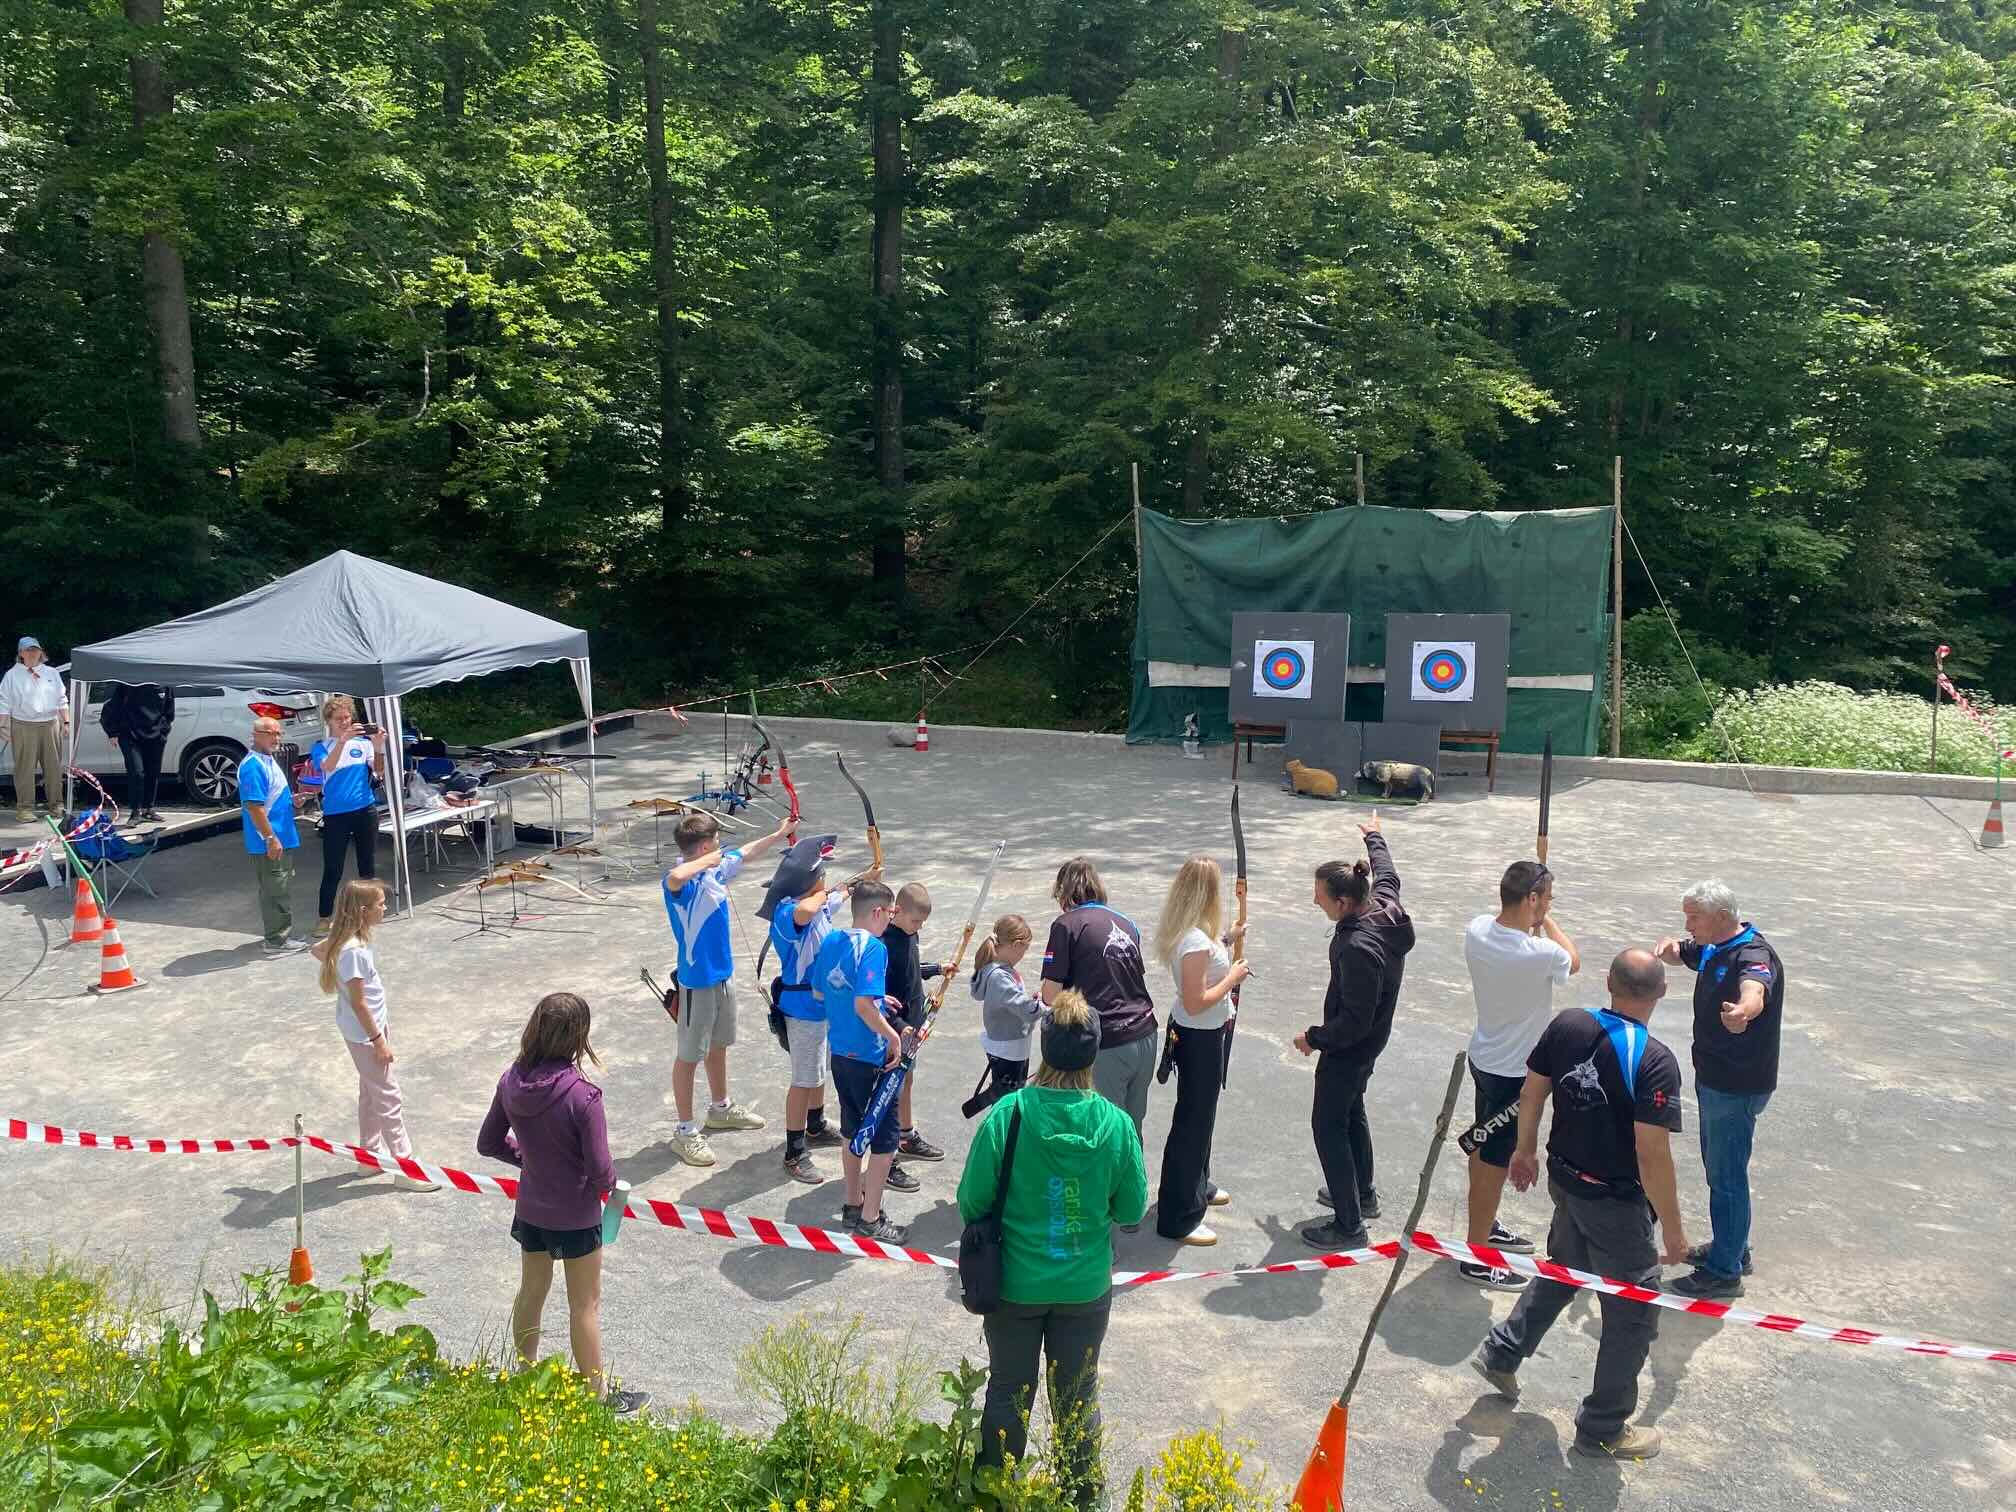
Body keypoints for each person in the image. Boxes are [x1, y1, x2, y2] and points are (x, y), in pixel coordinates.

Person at [1467, 950, 1689, 1462]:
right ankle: (1603, 1428)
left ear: (1609, 982)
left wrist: (1525, 1150)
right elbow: (1651, 1153)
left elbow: (1533, 1091)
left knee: (1566, 1268)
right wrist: (1675, 1232)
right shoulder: (1654, 1061)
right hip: (1615, 1203)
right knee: (1633, 1313)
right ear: (1662, 993)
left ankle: (1503, 1350)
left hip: (1566, 1180)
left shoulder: (1568, 1024)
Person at [957, 991, 1148, 1507]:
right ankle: (1081, 1499)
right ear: (1093, 1054)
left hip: (1013, 1287)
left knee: (1008, 1392)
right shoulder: (1116, 1124)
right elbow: (1132, 1210)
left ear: (1044, 1047)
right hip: (1084, 1288)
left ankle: (994, 1496)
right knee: (1077, 1399)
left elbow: (971, 1201)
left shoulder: (1008, 1116)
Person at [477, 991, 651, 1416]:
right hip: (577, 1216)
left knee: (531, 1292)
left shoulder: (510, 1081)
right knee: (584, 1306)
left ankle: (524, 1373)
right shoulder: (584, 1096)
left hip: (532, 1209)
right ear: (578, 1037)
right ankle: (598, 1395)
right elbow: (601, 1173)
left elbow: (488, 1143)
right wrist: (611, 1187)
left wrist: (529, 1158)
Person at [1654, 880, 1785, 1299]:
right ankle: (1733, 1247)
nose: (1688, 925)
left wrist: (1744, 1011)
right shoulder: (1714, 944)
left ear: (1722, 917)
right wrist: (1670, 949)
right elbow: (1686, 951)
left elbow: (1755, 989)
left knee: (1726, 1177)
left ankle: (1724, 1273)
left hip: (1735, 1084)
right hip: (1717, 1079)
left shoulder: (1753, 956)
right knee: (1721, 1169)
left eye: (1694, 917)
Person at [1460, 860, 1581, 1291]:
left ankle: (1484, 1224)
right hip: (1513, 1075)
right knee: (1494, 1162)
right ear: (1531, 899)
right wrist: (1545, 920)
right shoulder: (1540, 953)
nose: (1549, 905)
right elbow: (1573, 960)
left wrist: (1534, 914)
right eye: (1546, 899)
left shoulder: (1477, 929)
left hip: (1483, 1058)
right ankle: (1477, 1257)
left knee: (1481, 1144)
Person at [1294, 814, 1413, 1250]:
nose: (1315, 902)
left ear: (1344, 902)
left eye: (1321, 897)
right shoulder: (1384, 906)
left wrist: (1314, 1037)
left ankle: (1348, 1224)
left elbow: (1354, 1021)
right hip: (1369, 1044)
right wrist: (1375, 837)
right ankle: (1361, 1195)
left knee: (1328, 1126)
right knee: (1351, 1111)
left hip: (1352, 1047)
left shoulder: (1357, 948)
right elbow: (1388, 874)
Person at [661, 810, 790, 1166]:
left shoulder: (714, 870)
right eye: (715, 841)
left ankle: (720, 1108)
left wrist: (780, 833)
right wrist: (709, 860)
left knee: (718, 1046)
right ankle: (685, 1131)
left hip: (722, 975)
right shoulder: (681, 884)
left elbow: (746, 852)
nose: (721, 846)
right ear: (704, 847)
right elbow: (675, 877)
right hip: (697, 981)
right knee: (689, 1056)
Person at [312, 880, 437, 1192]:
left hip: (364, 1030)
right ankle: (406, 1167)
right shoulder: (353, 951)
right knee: (388, 1096)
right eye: (380, 904)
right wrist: (379, 1041)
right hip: (368, 1034)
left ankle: (369, 1157)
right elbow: (359, 1002)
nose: (385, 908)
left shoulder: (347, 943)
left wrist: (337, 939)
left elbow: (317, 950)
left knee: (371, 1093)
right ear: (363, 911)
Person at [1151, 856, 1248, 1246]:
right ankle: (1179, 1215)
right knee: (1192, 1122)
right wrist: (1233, 977)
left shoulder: (1196, 934)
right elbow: (1195, 1001)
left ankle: (1197, 1184)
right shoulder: (1193, 940)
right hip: (1198, 1036)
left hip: (1204, 1034)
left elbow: (1207, 962)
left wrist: (1229, 938)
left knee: (1201, 1118)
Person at [812, 879, 908, 1242]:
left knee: (852, 1131)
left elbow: (821, 991)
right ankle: (871, 1218)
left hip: (840, 1052)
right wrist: (892, 1035)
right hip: (871, 1057)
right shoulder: (874, 948)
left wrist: (876, 1000)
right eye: (891, 913)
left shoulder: (831, 940)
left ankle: (853, 1204)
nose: (890, 920)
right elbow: (863, 1005)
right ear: (878, 912)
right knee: (885, 1141)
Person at [1039, 858, 1158, 1151]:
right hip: (1145, 1034)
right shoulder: (1126, 923)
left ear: (1064, 893)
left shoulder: (1065, 925)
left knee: (1103, 1132)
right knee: (1131, 1129)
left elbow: (1051, 995)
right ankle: (1134, 1180)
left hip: (1108, 1041)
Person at [758, 832, 849, 1184]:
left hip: (822, 1006)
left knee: (818, 1070)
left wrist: (860, 881)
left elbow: (834, 898)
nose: (826, 880)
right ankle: (794, 1152)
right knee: (804, 1078)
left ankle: (815, 1124)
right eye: (821, 874)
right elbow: (808, 909)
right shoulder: (787, 912)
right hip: (802, 1009)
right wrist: (823, 891)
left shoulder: (816, 904)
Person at [880, 880, 944, 1185]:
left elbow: (912, 970)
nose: (919, 927)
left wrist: (937, 969)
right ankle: (886, 1157)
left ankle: (906, 1136)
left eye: (922, 922)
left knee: (906, 1082)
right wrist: (899, 1026)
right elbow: (879, 996)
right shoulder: (885, 944)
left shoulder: (910, 934)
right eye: (916, 920)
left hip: (912, 1030)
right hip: (895, 1031)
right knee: (889, 1093)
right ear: (897, 910)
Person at [309, 696, 385, 936]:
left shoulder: (362, 744)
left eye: (347, 717)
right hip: (336, 814)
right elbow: (327, 767)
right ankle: (324, 918)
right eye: (338, 719)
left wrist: (378, 746)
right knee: (333, 868)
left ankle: (368, 913)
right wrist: (342, 741)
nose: (344, 722)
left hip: (365, 809)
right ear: (329, 721)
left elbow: (379, 770)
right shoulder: (321, 746)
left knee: (367, 865)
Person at [237, 716, 307, 955]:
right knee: (276, 890)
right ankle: (277, 941)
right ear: (256, 735)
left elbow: (267, 800)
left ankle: (279, 936)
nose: (277, 738)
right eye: (271, 733)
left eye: (279, 733)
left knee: (278, 887)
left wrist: (292, 800)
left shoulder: (266, 760)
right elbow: (254, 807)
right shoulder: (253, 766)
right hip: (269, 841)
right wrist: (270, 838)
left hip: (280, 837)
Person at [967, 914, 1039, 1114]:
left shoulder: (999, 971)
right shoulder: (1000, 976)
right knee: (1008, 1103)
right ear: (1016, 945)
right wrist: (1045, 1006)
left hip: (1006, 1046)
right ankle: (1001, 1132)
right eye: (1024, 950)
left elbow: (1015, 1003)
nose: (1023, 955)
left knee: (1005, 1096)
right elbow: (1026, 1011)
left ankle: (1003, 1129)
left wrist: (1032, 1002)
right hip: (1009, 1049)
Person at [1, 637, 67, 823]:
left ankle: (57, 806)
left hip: (50, 724)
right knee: (24, 769)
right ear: (21, 653)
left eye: (35, 650)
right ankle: (25, 809)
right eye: (28, 650)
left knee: (54, 768)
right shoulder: (11, 675)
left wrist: (66, 722)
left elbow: (62, 699)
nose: (32, 653)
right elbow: (4, 702)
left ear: (41, 652)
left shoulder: (52, 673)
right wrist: (2, 725)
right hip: (22, 724)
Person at [100, 683, 175, 822]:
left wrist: (163, 732)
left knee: (153, 772)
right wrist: (112, 732)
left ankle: (148, 809)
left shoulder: (164, 684)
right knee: (136, 772)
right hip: (130, 735)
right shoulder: (128, 682)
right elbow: (112, 707)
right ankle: (135, 812)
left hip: (156, 735)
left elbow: (169, 711)